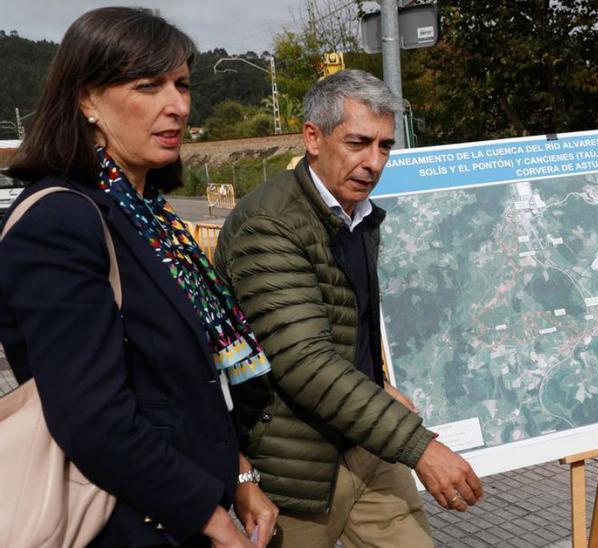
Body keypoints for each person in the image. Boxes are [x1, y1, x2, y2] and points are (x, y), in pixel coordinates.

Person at [0, 7, 277, 547]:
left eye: (182, 85)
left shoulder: (150, 217)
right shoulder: (62, 220)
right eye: (148, 86)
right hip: (125, 524)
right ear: (86, 100)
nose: (176, 105)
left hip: (186, 506)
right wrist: (215, 520)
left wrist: (241, 477)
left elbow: (187, 383)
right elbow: (93, 419)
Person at [214, 69, 482, 548]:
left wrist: (378, 380)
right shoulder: (269, 225)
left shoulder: (356, 215)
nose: (373, 162)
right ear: (312, 138)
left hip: (368, 446)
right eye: (358, 143)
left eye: (384, 146)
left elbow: (346, 320)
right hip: (299, 468)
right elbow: (303, 361)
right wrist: (420, 448)